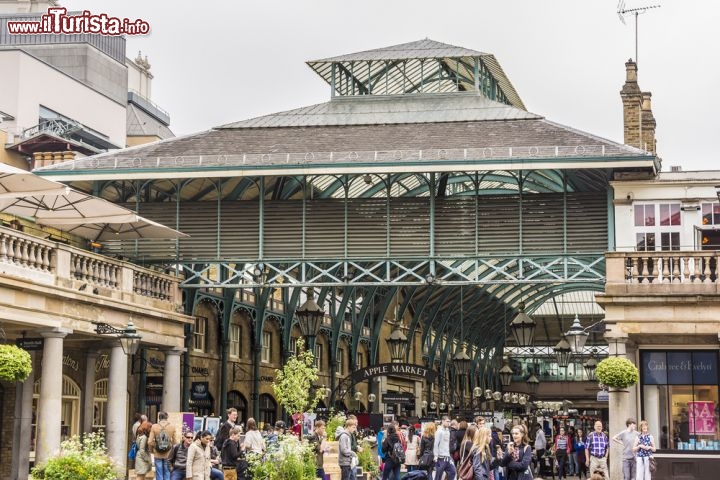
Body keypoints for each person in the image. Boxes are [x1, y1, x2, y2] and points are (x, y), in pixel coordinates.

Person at [149, 411, 179, 480]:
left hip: (157, 454)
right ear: (167, 417)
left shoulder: (154, 426)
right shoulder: (172, 427)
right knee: (167, 473)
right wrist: (169, 445)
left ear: (159, 417)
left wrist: (156, 446)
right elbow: (175, 442)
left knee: (159, 473)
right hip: (168, 454)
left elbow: (149, 442)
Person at [434, 415, 457, 480]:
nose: (449, 423)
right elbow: (436, 444)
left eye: (449, 421)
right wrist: (436, 456)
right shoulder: (439, 432)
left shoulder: (448, 431)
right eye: (447, 421)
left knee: (453, 472)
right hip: (440, 458)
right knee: (438, 476)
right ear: (443, 421)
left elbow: (447, 444)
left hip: (447, 457)